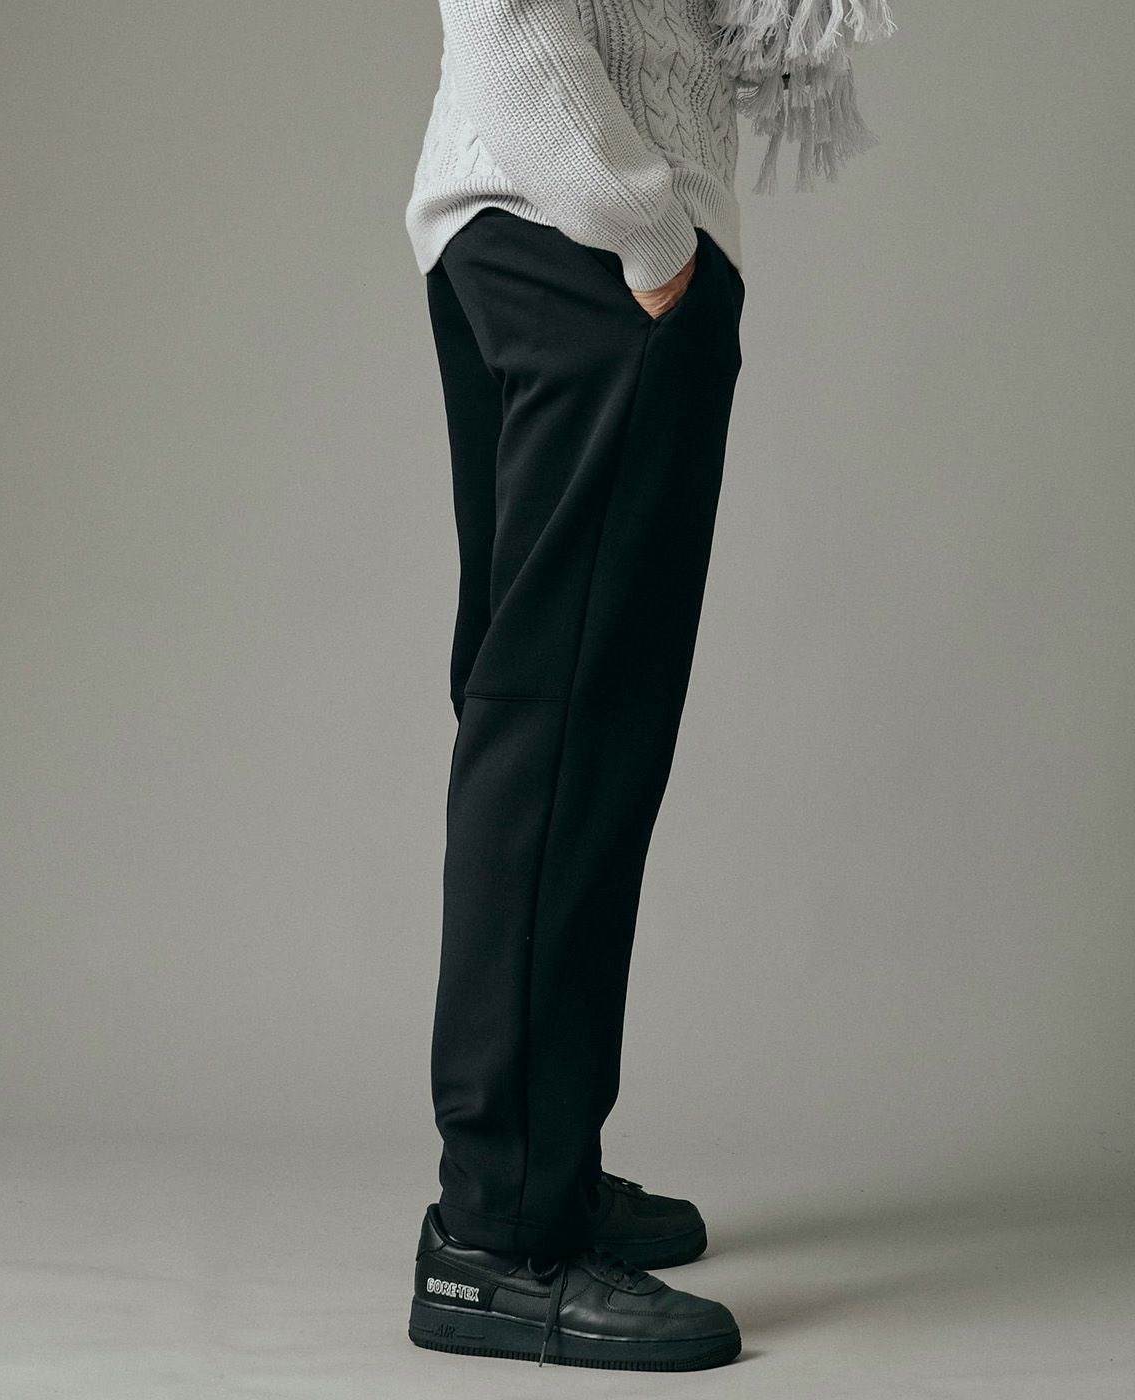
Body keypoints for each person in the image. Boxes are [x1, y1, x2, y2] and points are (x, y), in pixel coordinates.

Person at [401, 0, 896, 1374]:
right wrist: (648, 229)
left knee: (549, 730)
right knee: (564, 737)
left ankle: (538, 1167)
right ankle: (499, 1235)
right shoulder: (618, 234)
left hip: (528, 231)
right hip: (584, 248)